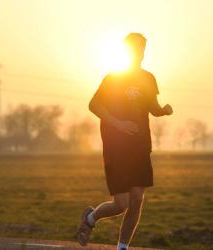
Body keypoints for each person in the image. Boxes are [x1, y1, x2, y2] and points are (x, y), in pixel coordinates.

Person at [76, 33, 173, 250]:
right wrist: (118, 124)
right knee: (121, 204)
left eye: (142, 49)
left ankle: (122, 247)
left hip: (140, 145)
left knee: (137, 198)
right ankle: (91, 218)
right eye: (135, 49)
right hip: (116, 147)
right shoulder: (113, 78)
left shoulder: (148, 78)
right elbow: (94, 105)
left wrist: (163, 111)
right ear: (126, 51)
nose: (139, 53)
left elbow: (152, 107)